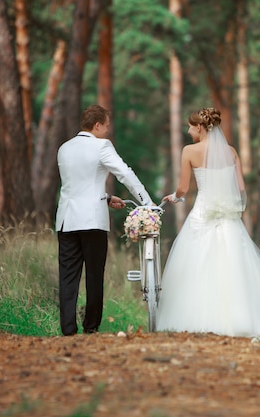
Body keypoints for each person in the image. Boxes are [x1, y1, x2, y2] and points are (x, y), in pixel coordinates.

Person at [156, 107, 260, 337]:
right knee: (235, 264)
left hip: (203, 213)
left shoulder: (189, 151)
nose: (188, 130)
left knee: (197, 264)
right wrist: (231, 206)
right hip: (228, 215)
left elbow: (183, 188)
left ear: (200, 127)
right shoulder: (231, 152)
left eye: (190, 126)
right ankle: (244, 318)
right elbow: (241, 188)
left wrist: (173, 197)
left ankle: (195, 319)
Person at [56, 104, 154, 336]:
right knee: (94, 274)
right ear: (97, 125)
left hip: (66, 219)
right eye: (106, 126)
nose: (108, 131)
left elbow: (77, 184)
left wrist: (108, 197)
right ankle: (91, 327)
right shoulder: (102, 146)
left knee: (68, 276)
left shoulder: (64, 148)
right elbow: (125, 173)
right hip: (91, 220)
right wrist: (146, 203)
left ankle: (68, 329)